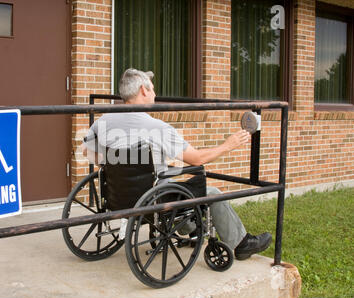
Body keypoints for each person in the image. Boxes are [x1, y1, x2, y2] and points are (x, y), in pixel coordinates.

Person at [81, 68, 272, 260]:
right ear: (143, 90)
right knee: (212, 192)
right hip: (154, 202)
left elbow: (87, 153)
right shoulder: (157, 127)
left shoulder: (104, 120)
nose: (155, 94)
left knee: (173, 180)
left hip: (119, 198)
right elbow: (197, 159)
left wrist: (120, 165)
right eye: (153, 89)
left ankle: (190, 229)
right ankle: (241, 243)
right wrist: (228, 145)